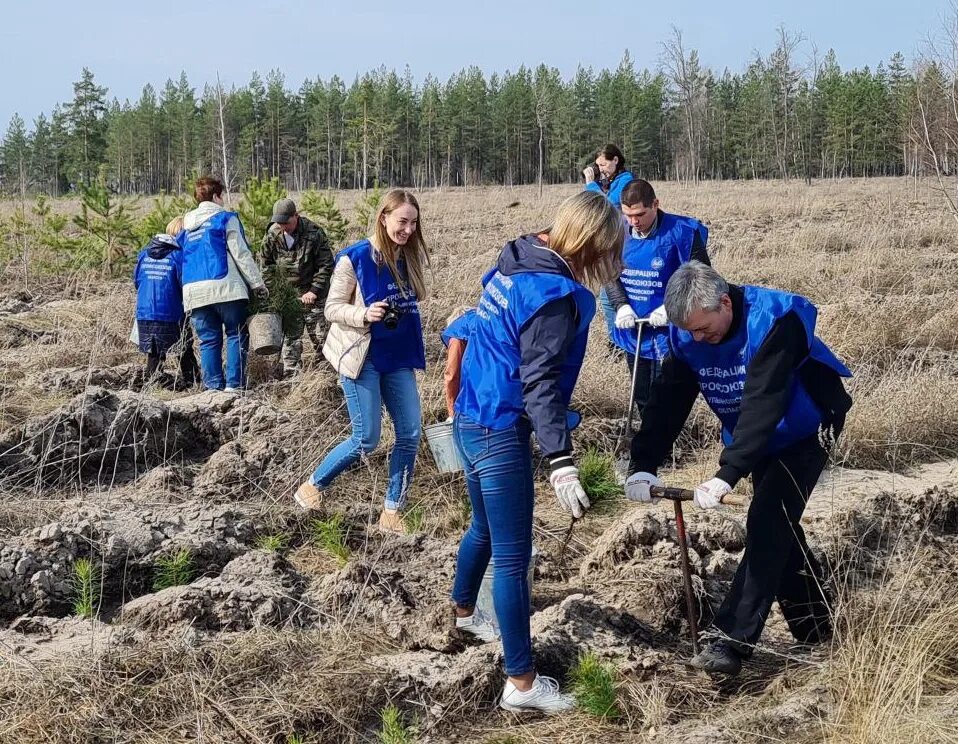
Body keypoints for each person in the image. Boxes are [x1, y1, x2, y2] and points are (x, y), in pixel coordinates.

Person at [625, 262, 853, 676]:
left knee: (767, 518)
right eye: (690, 332)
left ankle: (730, 641)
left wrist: (727, 473)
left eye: (704, 328)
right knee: (779, 522)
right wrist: (643, 463)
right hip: (755, 433)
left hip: (807, 426)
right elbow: (668, 400)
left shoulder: (775, 321)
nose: (698, 338)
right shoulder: (687, 332)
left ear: (725, 303)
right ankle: (816, 626)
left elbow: (764, 402)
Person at [450, 191, 624, 713]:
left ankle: (463, 616)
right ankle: (522, 684)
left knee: (482, 528)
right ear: (590, 247)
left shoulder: (516, 258)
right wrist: (561, 460)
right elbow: (540, 383)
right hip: (500, 428)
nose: (608, 263)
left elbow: (481, 328)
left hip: (469, 417)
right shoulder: (552, 295)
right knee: (512, 557)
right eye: (607, 252)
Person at [294, 189, 429, 534]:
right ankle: (311, 488)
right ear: (383, 217)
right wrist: (364, 313)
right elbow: (331, 308)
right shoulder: (354, 258)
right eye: (402, 221)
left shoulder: (407, 255)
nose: (408, 229)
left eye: (413, 223)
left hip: (398, 356)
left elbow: (418, 295)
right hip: (361, 357)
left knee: (410, 432)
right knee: (366, 438)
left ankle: (391, 512)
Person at [605, 179, 710, 416]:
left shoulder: (682, 232)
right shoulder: (616, 230)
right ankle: (647, 440)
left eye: (640, 214)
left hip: (671, 330)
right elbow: (609, 273)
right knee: (640, 389)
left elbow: (702, 275)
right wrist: (621, 305)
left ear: (655, 204)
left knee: (667, 391)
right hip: (635, 327)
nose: (634, 222)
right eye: (628, 215)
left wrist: (672, 307)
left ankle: (669, 441)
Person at [180, 176, 267, 392]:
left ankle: (212, 388)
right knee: (236, 334)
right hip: (226, 288)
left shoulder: (186, 226)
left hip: (194, 291)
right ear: (217, 196)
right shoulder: (225, 219)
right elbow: (241, 254)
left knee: (208, 340)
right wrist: (257, 284)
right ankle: (234, 386)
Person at [260, 197, 335, 377]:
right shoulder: (272, 234)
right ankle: (291, 374)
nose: (283, 226)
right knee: (291, 338)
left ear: (296, 216)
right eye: (279, 223)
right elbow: (265, 266)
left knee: (321, 335)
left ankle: (327, 373)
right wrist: (277, 291)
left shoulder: (314, 233)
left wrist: (314, 291)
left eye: (286, 222)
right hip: (289, 295)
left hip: (313, 294)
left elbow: (326, 264)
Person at [132, 217, 200, 388]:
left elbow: (136, 281)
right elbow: (184, 284)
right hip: (171, 312)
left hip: (145, 313)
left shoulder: (143, 255)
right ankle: (193, 382)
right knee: (184, 347)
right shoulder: (178, 257)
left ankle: (152, 382)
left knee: (154, 352)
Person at [581, 144, 634, 352]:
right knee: (606, 296)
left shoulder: (626, 181)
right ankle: (616, 341)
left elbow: (607, 205)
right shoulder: (608, 181)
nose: (600, 168)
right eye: (598, 164)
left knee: (614, 291)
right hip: (608, 243)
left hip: (622, 243)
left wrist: (590, 184)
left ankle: (620, 342)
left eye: (603, 163)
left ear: (615, 161)